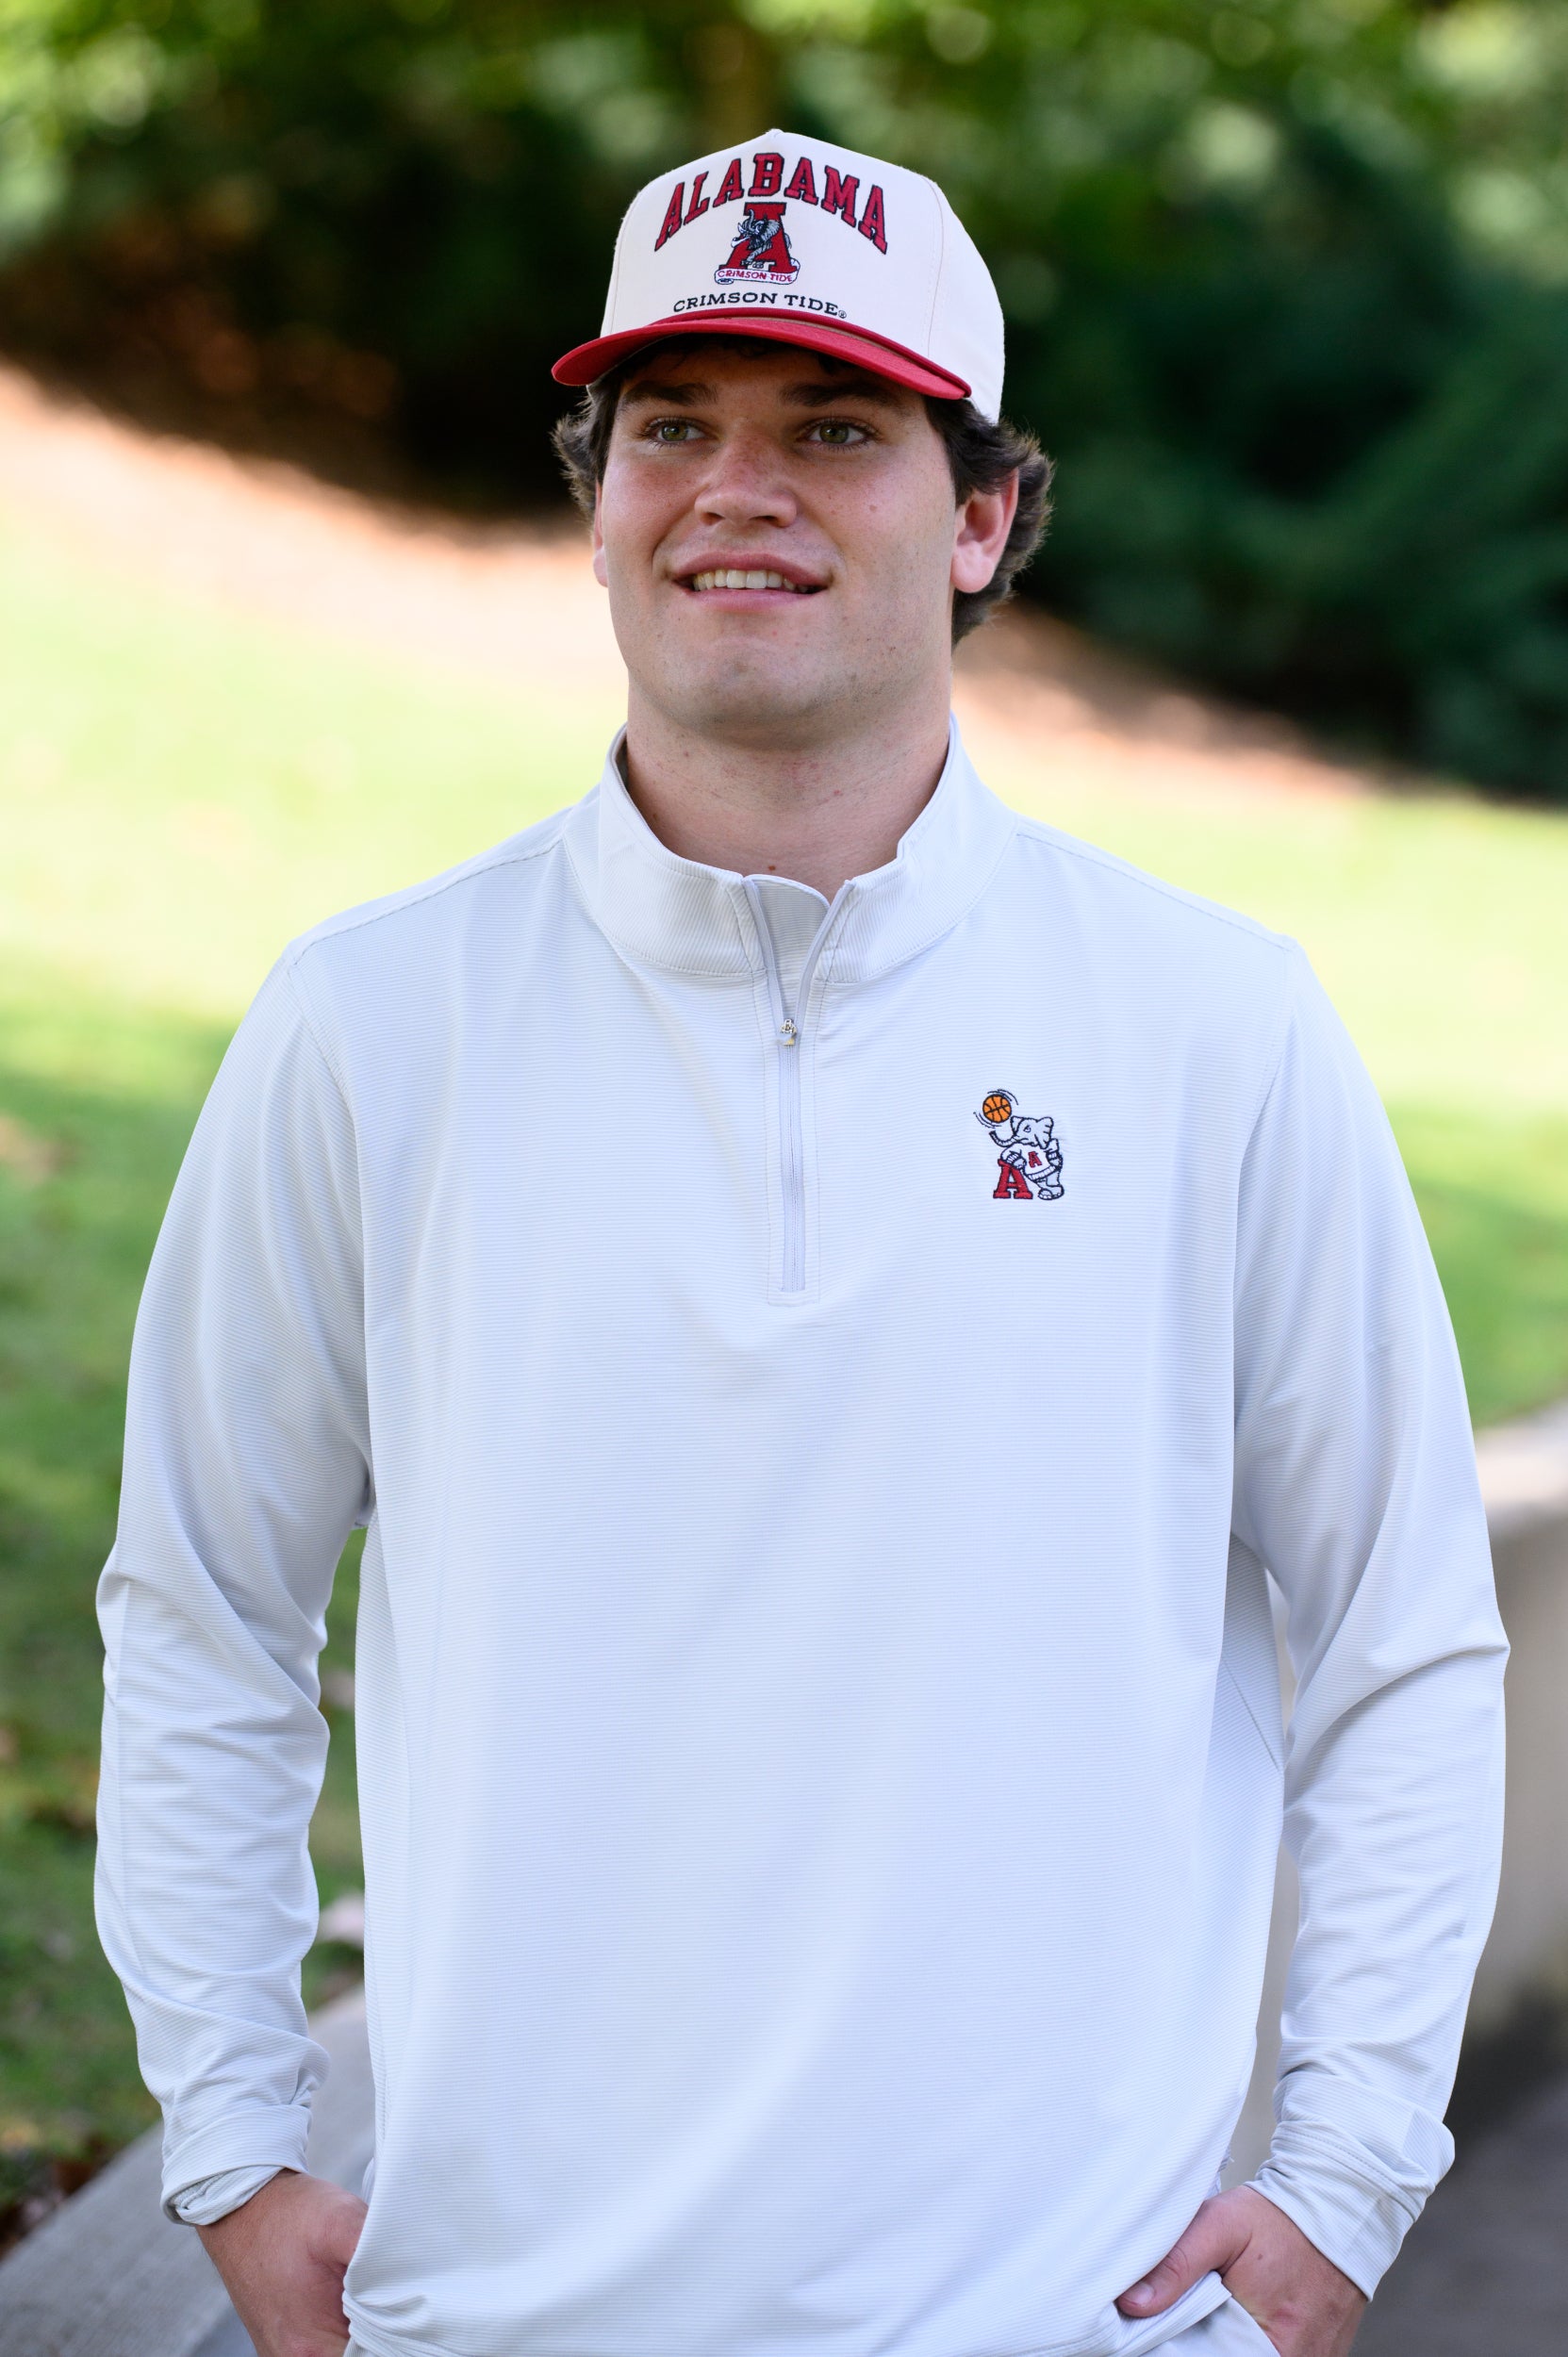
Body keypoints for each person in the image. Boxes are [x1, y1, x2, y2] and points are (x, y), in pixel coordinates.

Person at [94, 129, 1508, 2357]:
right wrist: (234, 2137)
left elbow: (1404, 1641)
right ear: (594, 501)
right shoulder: (369, 1025)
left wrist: (1346, 2168)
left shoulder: (1212, 1029)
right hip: (505, 2319)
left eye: (833, 426)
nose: (733, 485)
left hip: (1075, 2320)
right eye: (672, 423)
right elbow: (204, 1611)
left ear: (980, 516)